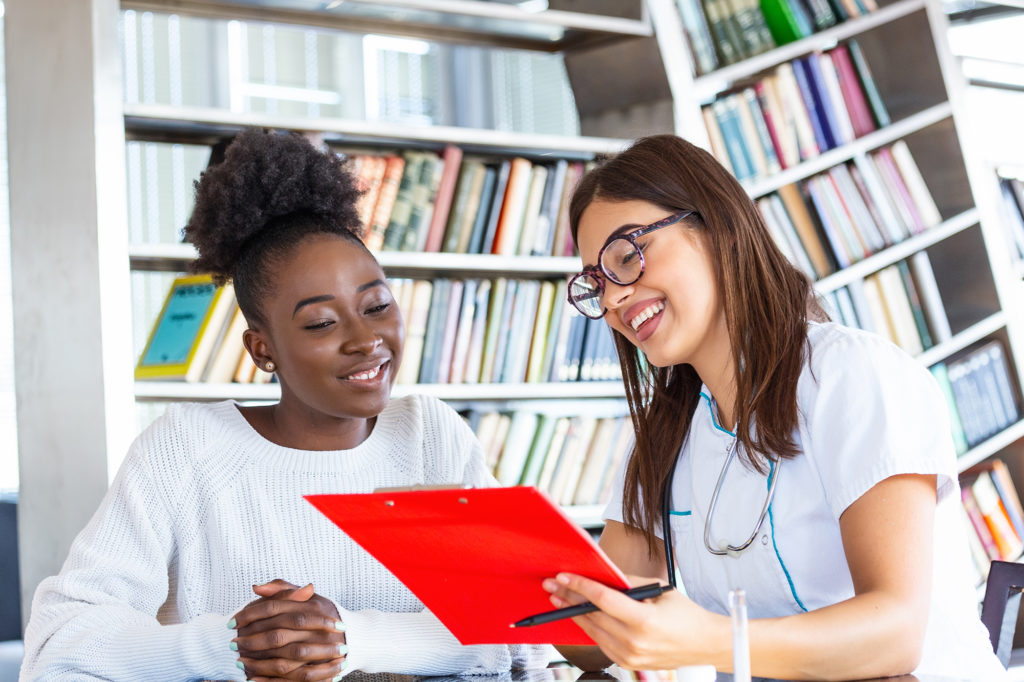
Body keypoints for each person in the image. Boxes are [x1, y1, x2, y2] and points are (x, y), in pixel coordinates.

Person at [21, 129, 548, 681]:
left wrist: (349, 639)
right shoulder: (188, 446)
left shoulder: (428, 433)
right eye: (320, 322)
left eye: (376, 306)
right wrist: (237, 646)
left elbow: (522, 634)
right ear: (261, 349)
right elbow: (61, 647)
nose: (365, 339)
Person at [543, 134, 1006, 680]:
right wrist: (533, 585)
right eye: (595, 283)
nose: (613, 298)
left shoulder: (851, 375)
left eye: (626, 256)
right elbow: (589, 636)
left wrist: (711, 639)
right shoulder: (668, 431)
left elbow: (897, 634)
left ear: (716, 225)